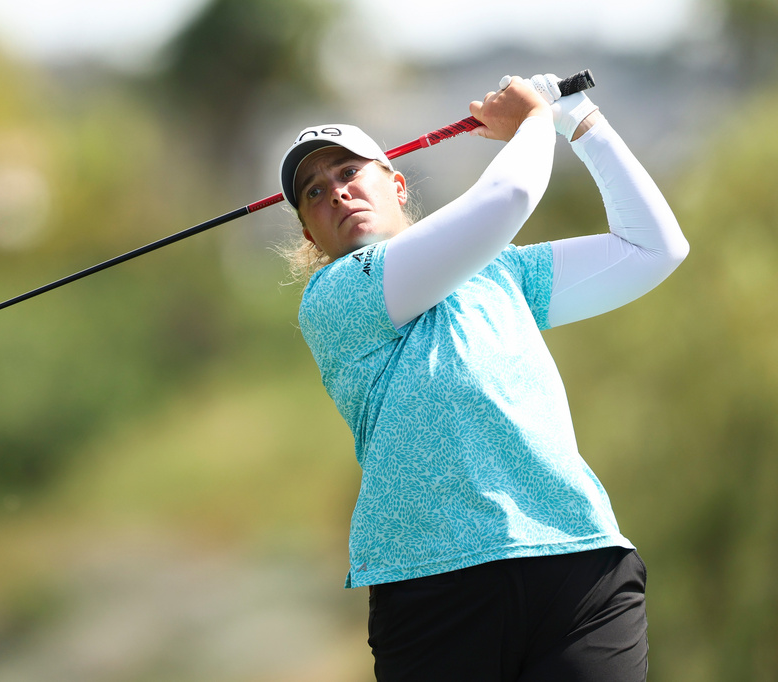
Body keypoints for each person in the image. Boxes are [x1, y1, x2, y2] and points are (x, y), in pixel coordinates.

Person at [277, 74, 689, 681]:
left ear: (396, 184)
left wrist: (580, 120)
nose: (335, 193)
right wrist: (532, 121)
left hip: (577, 562)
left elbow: (655, 248)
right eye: (314, 191)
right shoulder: (334, 298)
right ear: (311, 236)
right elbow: (508, 196)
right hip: (433, 588)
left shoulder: (504, 273)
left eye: (348, 173)